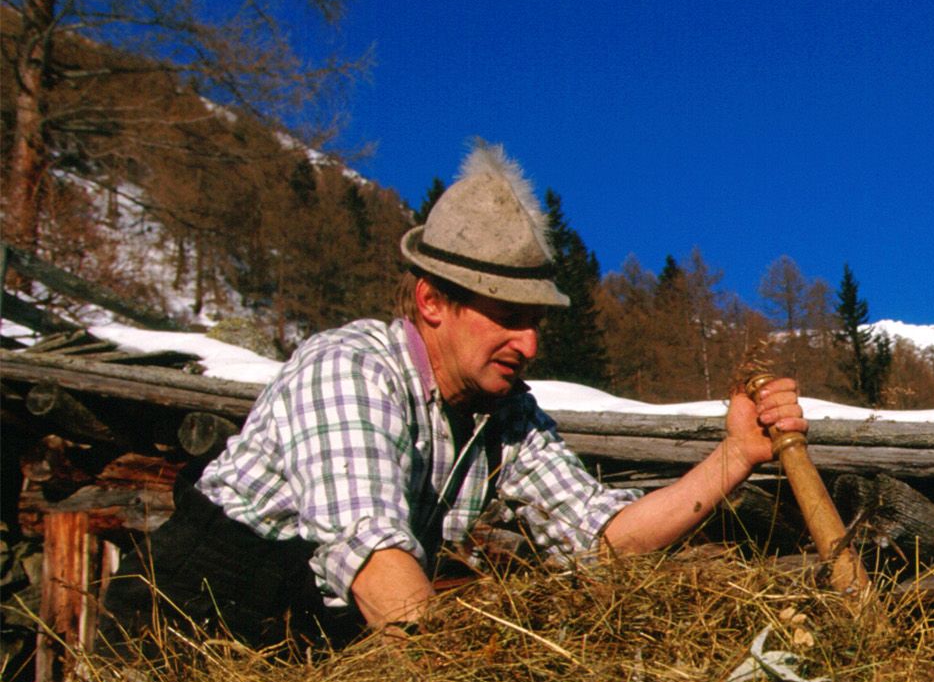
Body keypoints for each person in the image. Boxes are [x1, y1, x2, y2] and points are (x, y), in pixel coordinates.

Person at [105, 142, 807, 648]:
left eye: (534, 322)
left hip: (290, 645)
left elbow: (601, 540)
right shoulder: (351, 371)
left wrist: (735, 456)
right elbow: (375, 558)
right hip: (181, 632)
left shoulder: (506, 418)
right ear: (432, 301)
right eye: (506, 316)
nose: (528, 344)